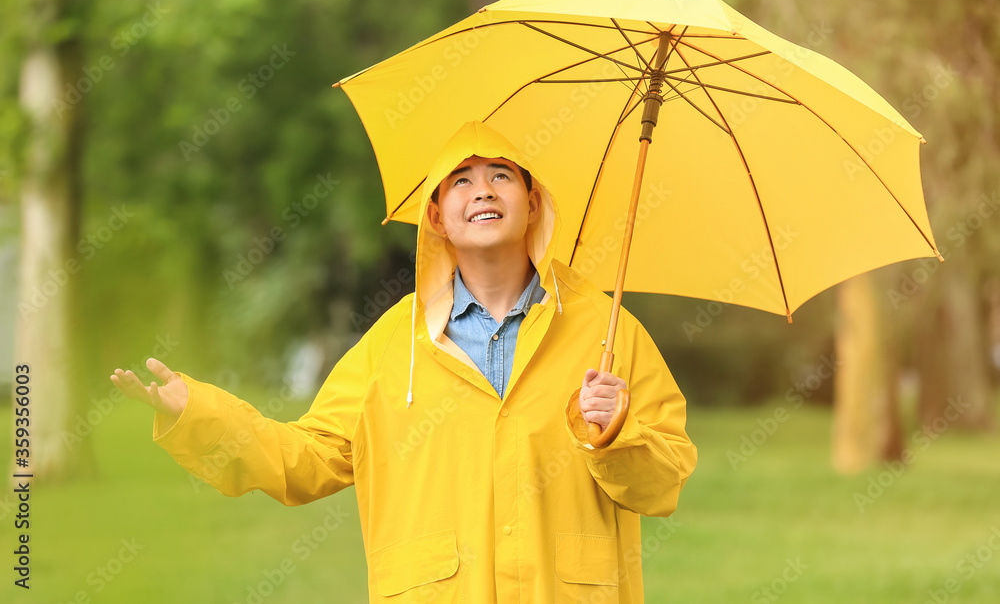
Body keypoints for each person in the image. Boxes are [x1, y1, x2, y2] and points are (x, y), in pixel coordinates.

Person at [110, 120, 697, 603]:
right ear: (436, 216)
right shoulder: (393, 343)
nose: (484, 191)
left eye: (502, 176)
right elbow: (306, 461)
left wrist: (617, 432)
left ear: (533, 201)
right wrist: (200, 417)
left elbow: (664, 480)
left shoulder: (604, 330)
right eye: (460, 181)